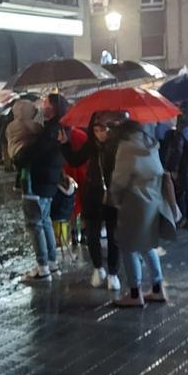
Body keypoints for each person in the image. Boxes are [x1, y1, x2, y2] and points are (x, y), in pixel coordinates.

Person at [108, 120, 178, 307]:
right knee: (147, 245)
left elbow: (119, 181)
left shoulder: (126, 148)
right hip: (153, 201)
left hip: (133, 203)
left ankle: (134, 293)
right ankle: (157, 289)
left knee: (128, 246)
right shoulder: (151, 144)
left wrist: (113, 199)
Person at [62, 114, 122, 289]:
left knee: (113, 235)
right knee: (92, 234)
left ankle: (113, 272)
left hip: (113, 193)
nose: (99, 134)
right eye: (96, 130)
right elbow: (75, 160)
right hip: (93, 193)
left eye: (103, 130)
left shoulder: (119, 145)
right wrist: (65, 144)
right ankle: (98, 268)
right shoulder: (91, 145)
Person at [14, 94, 67, 283]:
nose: (43, 106)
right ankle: (51, 263)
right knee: (44, 221)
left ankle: (42, 267)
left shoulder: (51, 130)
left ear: (53, 107)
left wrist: (18, 158)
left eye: (46, 103)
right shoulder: (58, 127)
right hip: (49, 180)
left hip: (38, 181)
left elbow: (35, 153)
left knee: (35, 224)